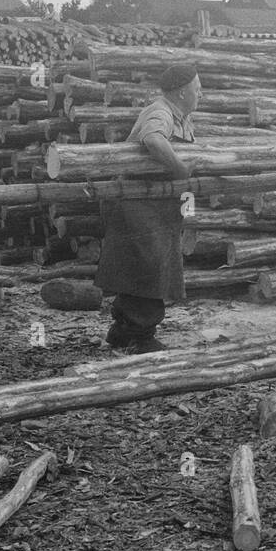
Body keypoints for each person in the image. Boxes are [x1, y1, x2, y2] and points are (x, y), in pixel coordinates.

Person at [95, 62, 202, 351]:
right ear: (181, 93)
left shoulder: (180, 116)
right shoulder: (161, 111)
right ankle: (140, 338)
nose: (200, 94)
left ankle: (123, 330)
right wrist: (180, 168)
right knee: (148, 267)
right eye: (196, 89)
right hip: (138, 201)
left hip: (157, 203)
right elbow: (153, 140)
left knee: (144, 267)